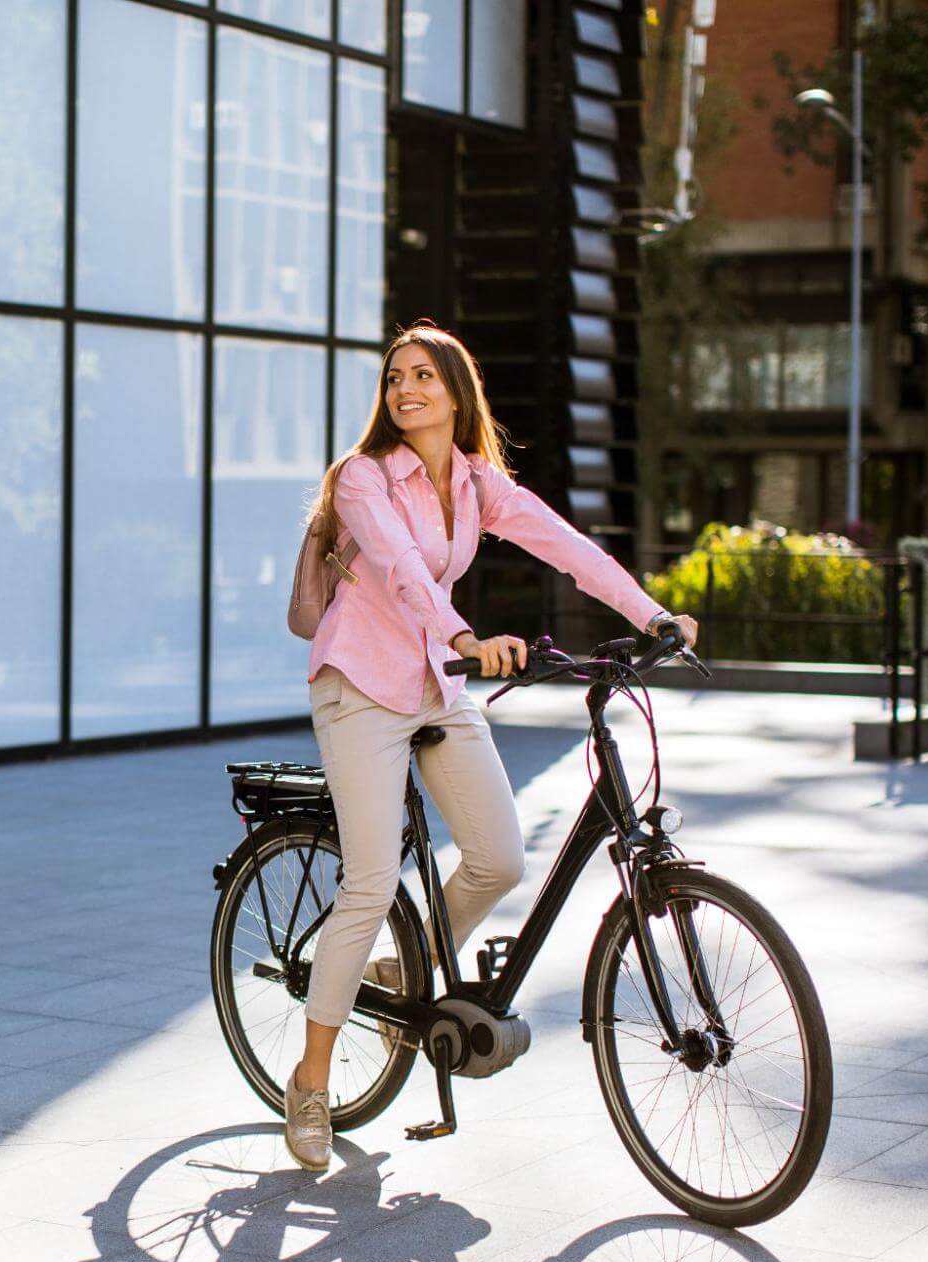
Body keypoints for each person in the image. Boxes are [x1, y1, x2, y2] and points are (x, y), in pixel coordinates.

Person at [283, 322, 700, 1170]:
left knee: (499, 859)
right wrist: (465, 636)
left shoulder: (477, 482)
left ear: (455, 391)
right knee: (370, 880)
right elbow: (400, 568)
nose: (405, 389)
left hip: (434, 682)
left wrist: (650, 613)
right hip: (359, 683)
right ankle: (311, 1079)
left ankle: (402, 970)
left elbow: (567, 547)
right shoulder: (363, 476)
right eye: (394, 377)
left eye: (423, 375)